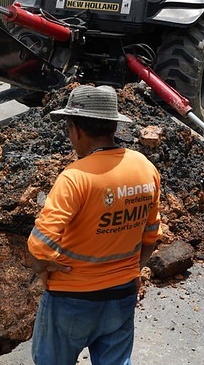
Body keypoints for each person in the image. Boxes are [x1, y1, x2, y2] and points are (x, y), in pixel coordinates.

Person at [27, 85, 162, 364]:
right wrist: (130, 271)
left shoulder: (75, 177)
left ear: (75, 129)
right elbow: (151, 237)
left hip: (71, 299)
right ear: (113, 125)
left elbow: (40, 245)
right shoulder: (145, 167)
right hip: (122, 297)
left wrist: (44, 267)